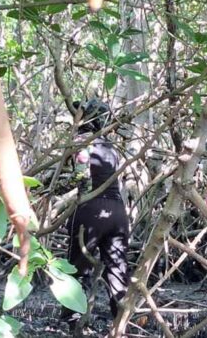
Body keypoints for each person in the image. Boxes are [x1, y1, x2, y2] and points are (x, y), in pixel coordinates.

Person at [62, 99, 130, 326]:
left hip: (92, 210)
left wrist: (53, 187)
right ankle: (121, 320)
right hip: (118, 213)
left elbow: (81, 177)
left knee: (76, 268)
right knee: (117, 270)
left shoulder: (82, 141)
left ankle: (72, 320)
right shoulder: (111, 146)